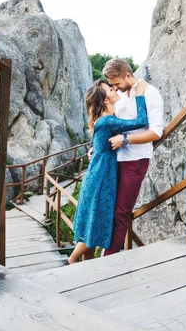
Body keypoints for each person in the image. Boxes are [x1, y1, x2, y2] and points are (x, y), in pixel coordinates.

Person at [68, 79, 150, 263]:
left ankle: (86, 267)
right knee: (96, 221)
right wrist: (139, 95)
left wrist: (93, 150)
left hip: (99, 173)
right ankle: (72, 260)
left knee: (93, 219)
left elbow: (99, 143)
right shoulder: (108, 121)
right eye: (110, 89)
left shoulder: (103, 120)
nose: (114, 89)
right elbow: (142, 121)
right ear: (105, 100)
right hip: (102, 176)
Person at [101, 58, 164, 256]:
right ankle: (104, 251)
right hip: (115, 159)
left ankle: (108, 260)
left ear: (128, 75)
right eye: (112, 85)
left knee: (121, 211)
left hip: (135, 160)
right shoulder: (120, 96)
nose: (115, 88)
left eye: (117, 83)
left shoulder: (149, 92)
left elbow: (156, 132)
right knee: (109, 207)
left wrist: (126, 140)